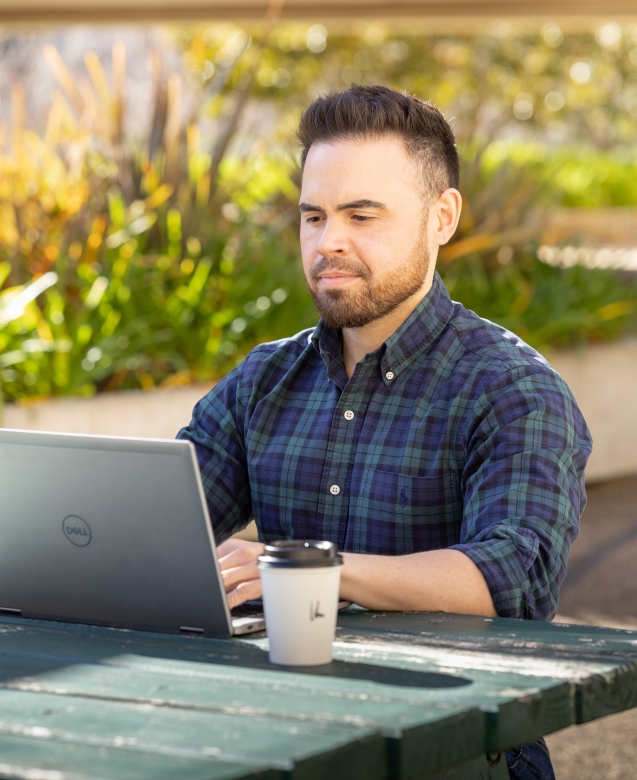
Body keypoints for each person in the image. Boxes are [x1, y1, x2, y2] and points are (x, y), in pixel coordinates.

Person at [178, 84, 590, 780]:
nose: (329, 242)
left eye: (361, 215)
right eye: (314, 216)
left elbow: (516, 576)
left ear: (442, 217)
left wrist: (307, 572)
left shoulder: (514, 389)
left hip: (457, 752)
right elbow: (166, 523)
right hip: (285, 735)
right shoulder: (264, 380)